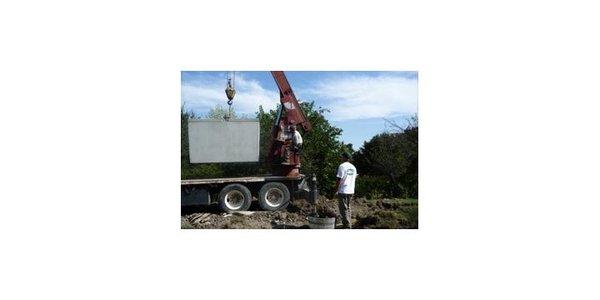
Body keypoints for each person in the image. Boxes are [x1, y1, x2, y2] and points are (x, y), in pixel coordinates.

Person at [335, 152, 358, 228]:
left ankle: (347, 225)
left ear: (344, 157)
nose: (341, 158)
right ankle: (349, 223)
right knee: (348, 207)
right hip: (351, 190)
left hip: (343, 190)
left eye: (342, 157)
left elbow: (339, 179)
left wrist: (336, 189)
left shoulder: (342, 166)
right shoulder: (353, 167)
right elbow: (354, 177)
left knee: (343, 208)